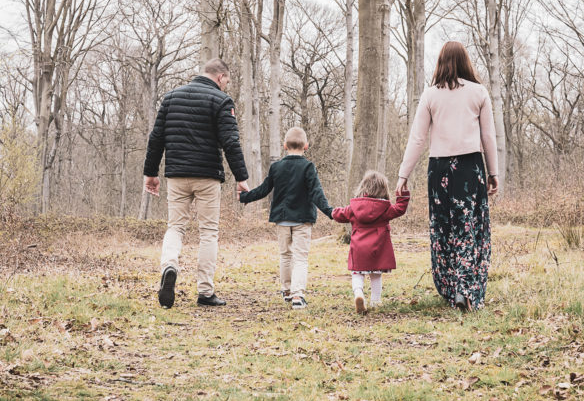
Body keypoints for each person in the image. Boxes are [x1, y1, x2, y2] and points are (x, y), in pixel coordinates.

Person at [395, 41, 499, 312]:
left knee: (444, 229)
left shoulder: (430, 95)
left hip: (439, 170)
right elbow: (488, 136)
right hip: (470, 168)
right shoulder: (479, 92)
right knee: (469, 228)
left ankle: (452, 287)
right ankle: (466, 289)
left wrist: (403, 174)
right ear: (466, 62)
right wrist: (493, 171)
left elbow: (418, 139)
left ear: (441, 63)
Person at [143, 58, 250, 309]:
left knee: (176, 227)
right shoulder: (221, 101)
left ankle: (170, 266)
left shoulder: (171, 98)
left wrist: (151, 173)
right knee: (208, 232)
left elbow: (156, 138)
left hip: (177, 174)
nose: (226, 86)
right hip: (207, 176)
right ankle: (205, 292)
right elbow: (231, 142)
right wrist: (241, 178)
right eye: (227, 82)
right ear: (221, 77)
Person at [239, 127, 333, 309]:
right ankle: (297, 295)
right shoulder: (308, 167)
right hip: (302, 219)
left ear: (284, 146)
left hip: (282, 219)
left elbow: (263, 190)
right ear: (306, 146)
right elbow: (316, 194)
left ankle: (287, 290)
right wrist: (330, 211)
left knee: (285, 255)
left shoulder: (277, 167)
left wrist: (244, 196)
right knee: (300, 257)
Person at [332, 171, 410, 314]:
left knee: (357, 274)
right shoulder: (385, 208)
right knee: (376, 274)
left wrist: (333, 211)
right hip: (378, 249)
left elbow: (339, 214)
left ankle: (359, 294)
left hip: (359, 248)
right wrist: (402, 194)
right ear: (383, 189)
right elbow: (400, 209)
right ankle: (375, 301)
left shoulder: (353, 208)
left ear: (363, 187)